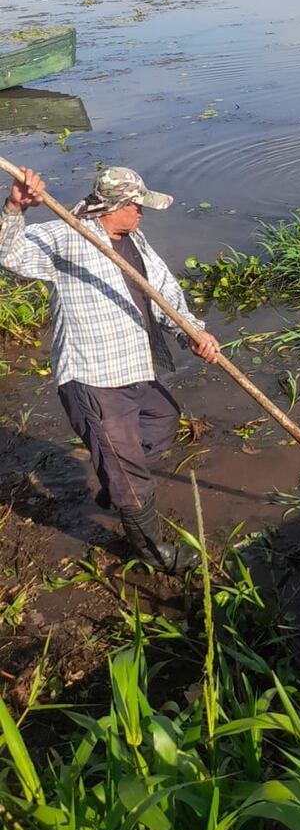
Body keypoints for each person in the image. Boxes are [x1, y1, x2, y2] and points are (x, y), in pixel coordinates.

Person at [0, 165, 221, 574]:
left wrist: (192, 331)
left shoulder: (135, 237)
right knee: (130, 475)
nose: (142, 213)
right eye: (136, 206)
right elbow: (7, 255)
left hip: (134, 364)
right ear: (114, 206)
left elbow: (165, 289)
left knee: (164, 417)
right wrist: (15, 207)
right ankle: (153, 553)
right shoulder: (67, 233)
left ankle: (115, 476)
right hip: (93, 377)